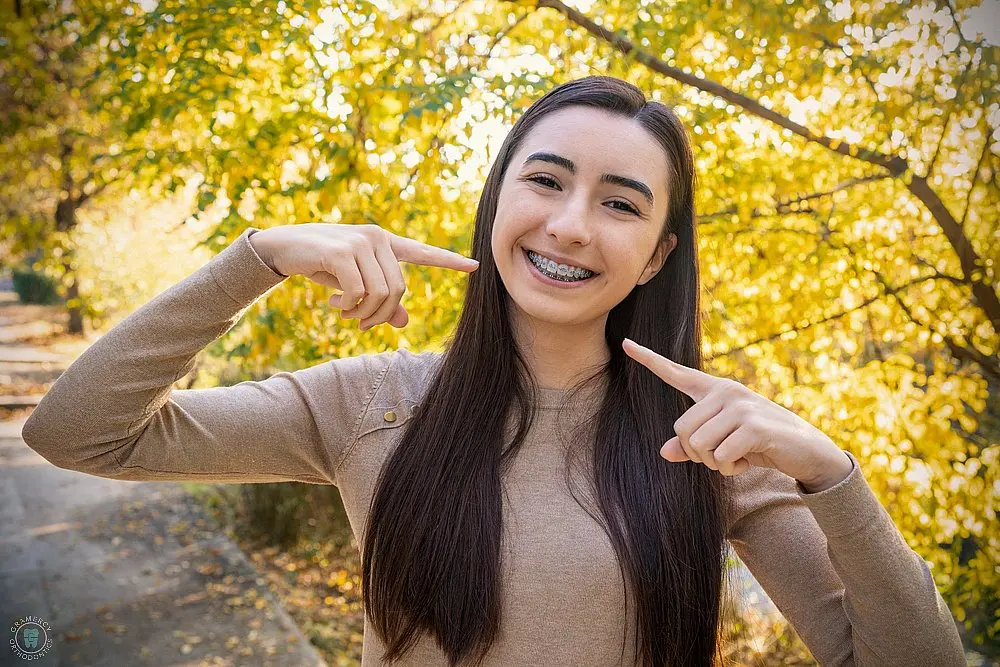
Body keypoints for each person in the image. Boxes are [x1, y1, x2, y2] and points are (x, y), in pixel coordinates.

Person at [22, 76, 965, 667]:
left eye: (620, 203)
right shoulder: (369, 401)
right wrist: (256, 256)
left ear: (656, 253)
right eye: (546, 181)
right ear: (497, 201)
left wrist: (832, 474)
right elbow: (77, 431)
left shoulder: (711, 440)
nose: (568, 224)